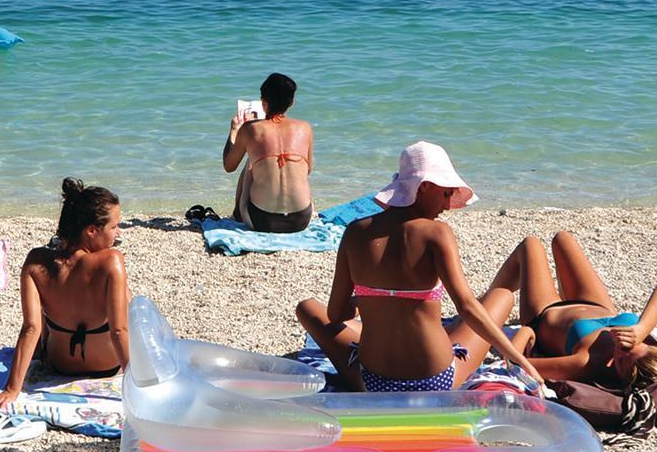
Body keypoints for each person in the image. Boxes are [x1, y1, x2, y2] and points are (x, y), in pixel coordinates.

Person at [295, 142, 542, 393]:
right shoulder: (436, 233)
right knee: (502, 296)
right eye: (446, 194)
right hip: (434, 381)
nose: (447, 206)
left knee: (308, 307)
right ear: (424, 187)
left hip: (372, 382)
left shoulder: (355, 232)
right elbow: (467, 307)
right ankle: (454, 331)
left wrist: (366, 301)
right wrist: (517, 359)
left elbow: (337, 315)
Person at [0, 179, 130, 410]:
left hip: (60, 365)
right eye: (114, 227)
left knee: (46, 308)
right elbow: (118, 330)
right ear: (91, 231)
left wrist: (12, 389)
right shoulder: (112, 261)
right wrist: (136, 385)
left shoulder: (35, 262)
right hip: (107, 366)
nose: (118, 233)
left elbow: (31, 328)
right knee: (126, 296)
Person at [506, 230, 657, 391]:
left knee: (531, 245)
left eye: (620, 361)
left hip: (546, 312)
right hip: (598, 305)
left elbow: (515, 364)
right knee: (563, 238)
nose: (619, 350)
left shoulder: (588, 364)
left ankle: (490, 305)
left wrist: (525, 331)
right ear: (655, 351)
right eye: (629, 347)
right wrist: (642, 329)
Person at [222, 73, 314, 233]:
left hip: (263, 221)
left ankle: (238, 213)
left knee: (251, 160)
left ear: (264, 102)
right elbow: (308, 170)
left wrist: (234, 130)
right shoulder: (305, 128)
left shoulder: (250, 129)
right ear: (292, 102)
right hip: (301, 220)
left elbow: (229, 166)